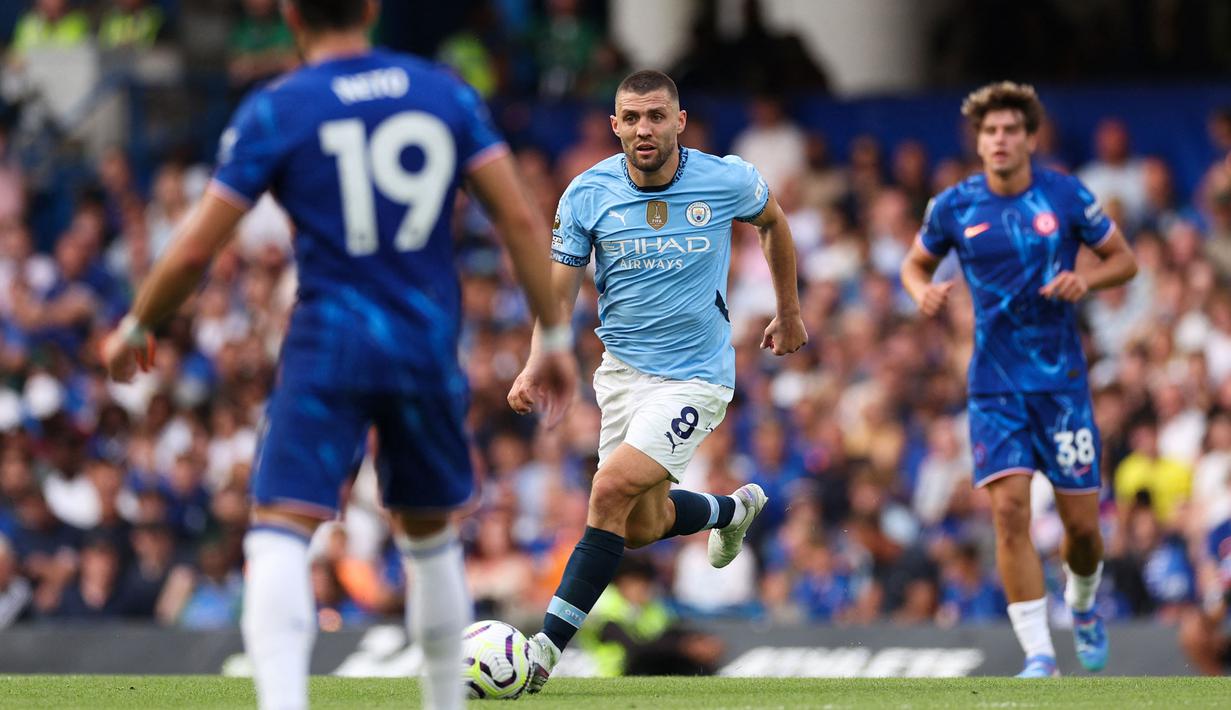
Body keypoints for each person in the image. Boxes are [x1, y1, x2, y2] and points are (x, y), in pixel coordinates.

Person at [99, 1, 578, 709]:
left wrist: (139, 322)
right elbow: (517, 218)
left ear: (292, 14)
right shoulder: (443, 91)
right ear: (375, 8)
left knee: (280, 531)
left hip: (329, 345)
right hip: (423, 346)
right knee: (429, 536)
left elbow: (200, 245)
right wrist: (556, 337)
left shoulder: (279, 107)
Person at [508, 69, 807, 692]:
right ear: (615, 125)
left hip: (695, 378)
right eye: (631, 118)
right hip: (620, 377)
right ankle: (730, 510)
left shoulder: (726, 179)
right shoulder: (586, 194)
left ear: (679, 121)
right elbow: (557, 296)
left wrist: (790, 310)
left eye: (655, 116)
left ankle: (543, 650)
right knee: (638, 526)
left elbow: (775, 223)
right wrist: (538, 358)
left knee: (608, 492)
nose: (644, 129)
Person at [900, 81, 1138, 678]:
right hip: (994, 386)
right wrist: (920, 292)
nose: (1000, 139)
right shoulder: (955, 205)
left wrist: (1088, 280)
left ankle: (1081, 605)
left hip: (1061, 388)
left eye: (1011, 129)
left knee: (1082, 530)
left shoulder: (1065, 195)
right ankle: (1039, 653)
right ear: (977, 142)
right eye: (990, 131)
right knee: (1009, 513)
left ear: (1031, 138)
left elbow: (1124, 260)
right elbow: (913, 264)